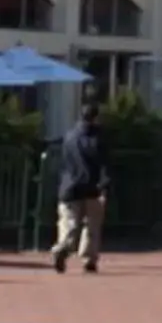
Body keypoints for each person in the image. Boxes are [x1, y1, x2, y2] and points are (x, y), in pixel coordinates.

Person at [49, 100, 111, 275]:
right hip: (92, 186)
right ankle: (89, 258)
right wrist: (105, 186)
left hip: (69, 186)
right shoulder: (99, 138)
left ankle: (62, 247)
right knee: (92, 225)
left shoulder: (69, 136)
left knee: (69, 224)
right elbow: (104, 164)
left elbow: (64, 162)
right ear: (96, 117)